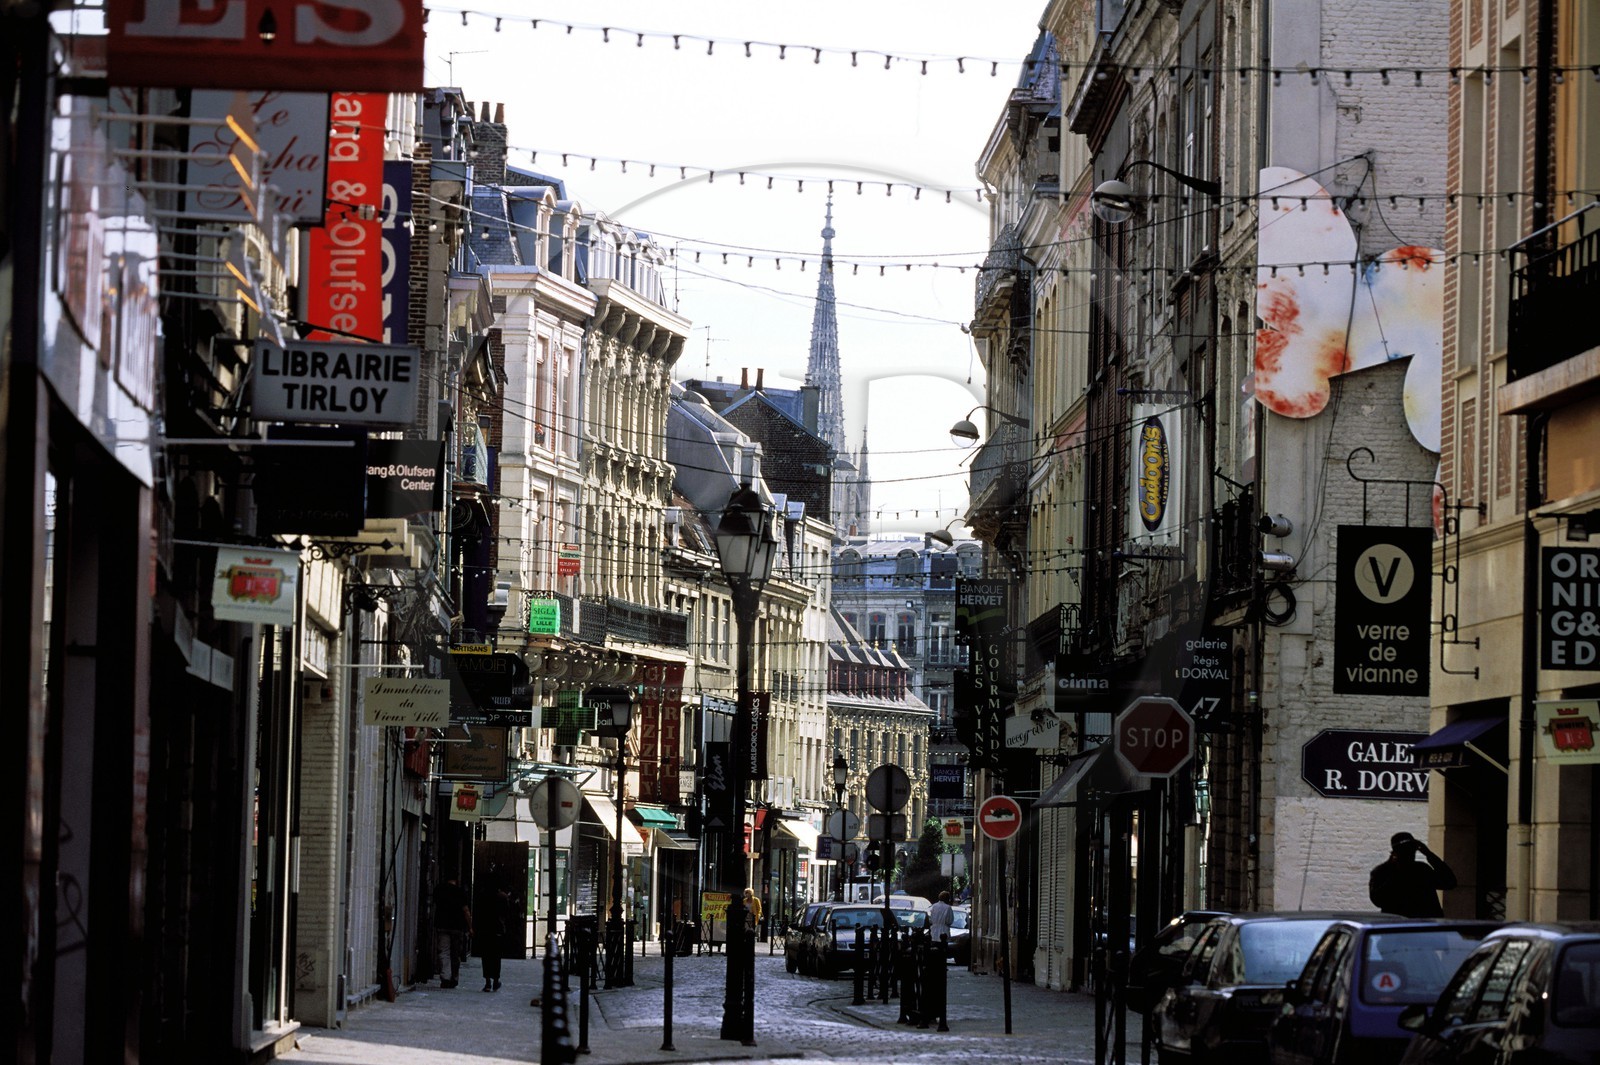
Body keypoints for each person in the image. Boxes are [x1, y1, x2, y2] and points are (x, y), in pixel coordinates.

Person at [1369, 831, 1457, 917]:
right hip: (1404, 926)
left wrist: (1429, 854)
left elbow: (1450, 882)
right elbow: (1378, 900)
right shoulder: (1382, 872)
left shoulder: (1422, 870)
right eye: (1407, 852)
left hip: (1418, 926)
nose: (1411, 854)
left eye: (1412, 851)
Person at [434, 874, 472, 988]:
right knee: (455, 954)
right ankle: (454, 977)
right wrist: (470, 926)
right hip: (457, 927)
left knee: (444, 951)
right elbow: (466, 911)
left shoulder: (439, 890)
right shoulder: (460, 892)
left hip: (442, 924)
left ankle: (445, 977)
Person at [479, 886, 514, 992]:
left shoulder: (484, 896)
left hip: (485, 930)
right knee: (496, 957)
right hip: (498, 929)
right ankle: (496, 980)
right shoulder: (503, 897)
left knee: (486, 957)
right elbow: (507, 913)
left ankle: (488, 982)